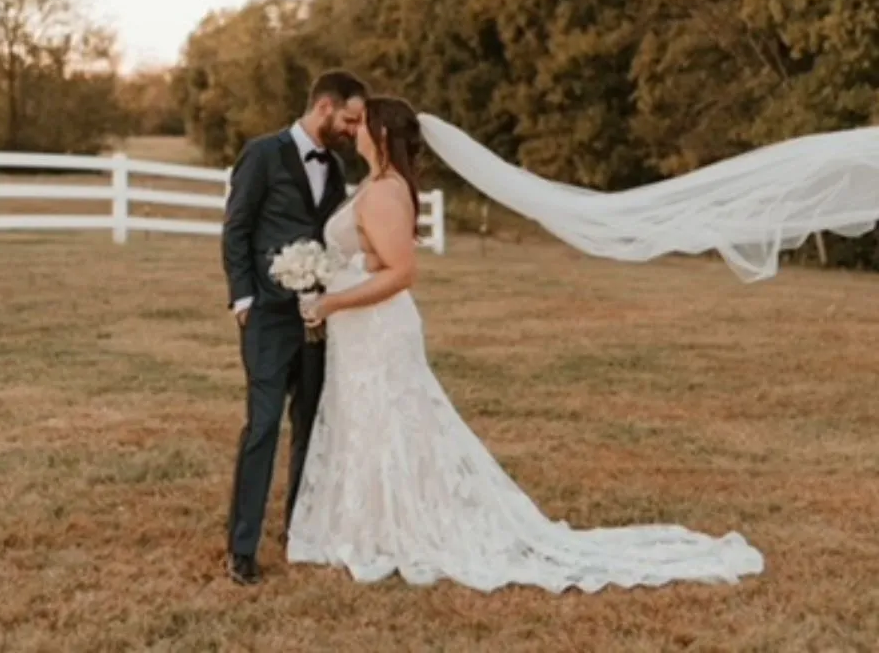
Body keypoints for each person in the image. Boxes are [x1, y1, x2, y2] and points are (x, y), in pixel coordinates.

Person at [288, 95, 765, 593]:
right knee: (372, 423)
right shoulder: (378, 183)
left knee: (392, 423)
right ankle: (369, 527)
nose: (354, 129)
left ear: (382, 134)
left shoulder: (385, 192)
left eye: (363, 123)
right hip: (363, 332)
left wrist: (330, 305)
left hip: (377, 328)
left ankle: (398, 531)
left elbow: (401, 273)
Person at [221, 69, 368, 586]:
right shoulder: (262, 153)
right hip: (267, 315)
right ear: (324, 107)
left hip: (317, 318)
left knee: (309, 425)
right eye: (349, 119)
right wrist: (243, 300)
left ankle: (299, 529)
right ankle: (241, 547)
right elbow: (236, 228)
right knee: (262, 428)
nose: (354, 130)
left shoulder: (337, 168)